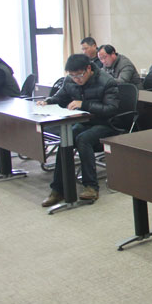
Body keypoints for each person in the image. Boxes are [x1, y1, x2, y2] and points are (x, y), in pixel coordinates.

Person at [38, 54, 119, 206]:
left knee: (83, 139)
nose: (76, 79)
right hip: (83, 122)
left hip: (106, 124)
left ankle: (91, 187)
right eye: (72, 76)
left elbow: (111, 109)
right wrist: (48, 101)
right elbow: (60, 97)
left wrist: (84, 104)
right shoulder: (69, 80)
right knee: (66, 138)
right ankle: (58, 190)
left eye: (79, 75)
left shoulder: (107, 81)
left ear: (88, 69)